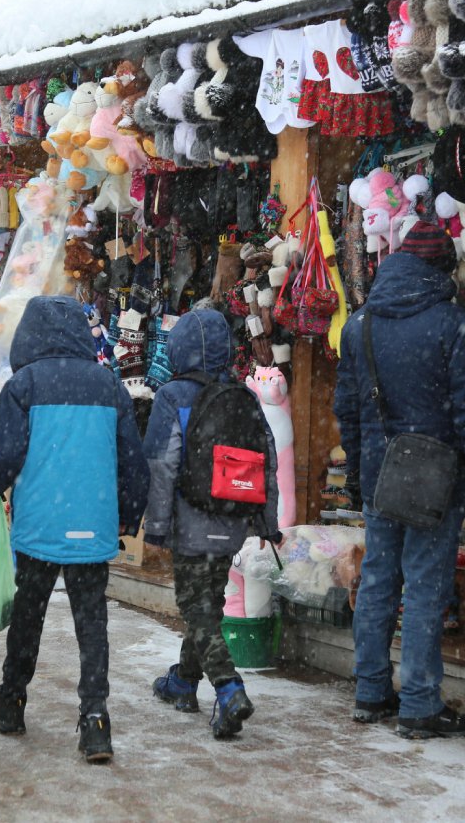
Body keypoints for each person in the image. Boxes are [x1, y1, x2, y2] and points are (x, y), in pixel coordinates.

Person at [333, 220, 465, 740]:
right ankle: (418, 704)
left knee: (376, 581)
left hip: (378, 470)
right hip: (435, 475)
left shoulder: (360, 325)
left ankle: (370, 691)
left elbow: (346, 408)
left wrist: (357, 468)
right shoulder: (453, 325)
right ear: (442, 269)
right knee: (422, 587)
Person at [0, 295, 148, 764]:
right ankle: (95, 720)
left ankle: (12, 700)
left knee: (28, 615)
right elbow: (133, 465)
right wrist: (127, 519)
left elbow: (3, 456)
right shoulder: (109, 386)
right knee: (92, 623)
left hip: (39, 523)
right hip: (92, 524)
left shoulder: (24, 384)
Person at [142, 309, 280, 739]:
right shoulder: (242, 396)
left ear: (178, 348)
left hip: (190, 520)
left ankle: (228, 688)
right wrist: (266, 521)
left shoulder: (172, 396)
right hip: (233, 517)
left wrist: (157, 524)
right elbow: (268, 463)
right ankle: (183, 681)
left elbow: (162, 465)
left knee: (196, 608)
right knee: (207, 603)